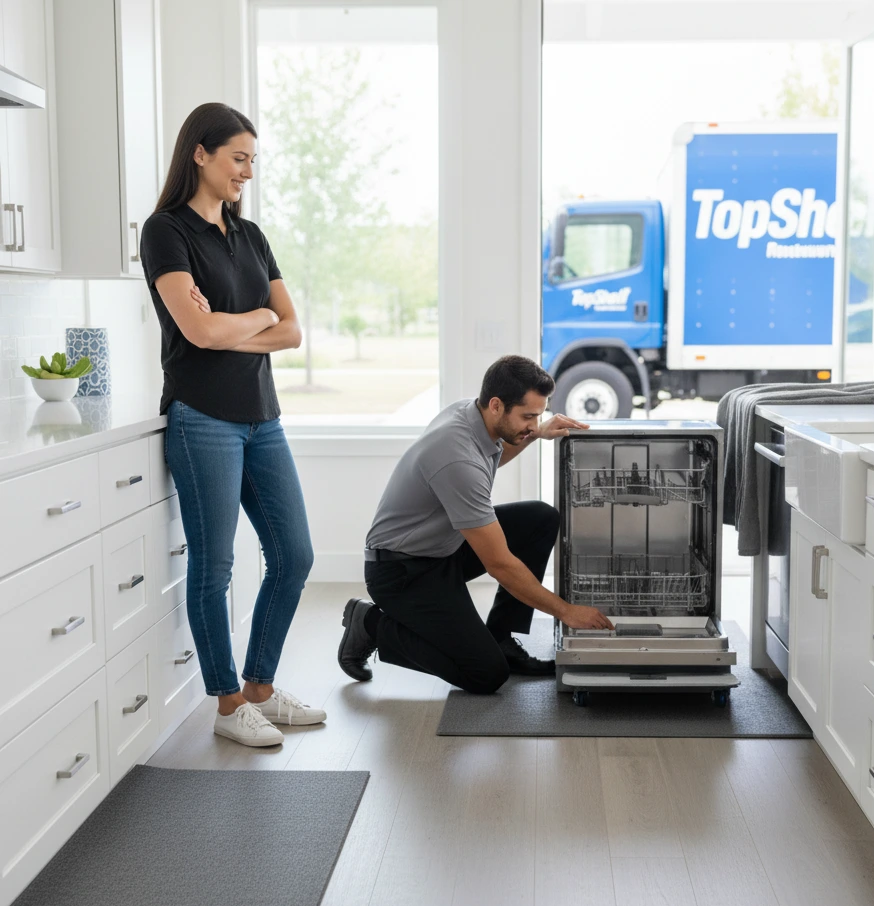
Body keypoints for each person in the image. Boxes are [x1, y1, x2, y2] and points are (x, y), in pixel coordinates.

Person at [140, 102, 323, 748]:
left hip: (261, 418)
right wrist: (245, 322)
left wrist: (227, 323)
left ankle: (261, 690)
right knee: (214, 566)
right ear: (201, 153)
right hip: (202, 420)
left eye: (251, 160)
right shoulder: (165, 233)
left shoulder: (250, 236)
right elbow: (195, 330)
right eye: (238, 157)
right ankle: (226, 704)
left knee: (294, 553)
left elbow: (292, 330)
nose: (247, 171)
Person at [337, 355, 614, 693]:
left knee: (540, 519)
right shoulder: (455, 455)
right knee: (485, 674)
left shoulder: (471, 415)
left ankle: (502, 638)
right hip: (402, 572)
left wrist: (535, 432)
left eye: (538, 415)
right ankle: (368, 623)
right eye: (528, 416)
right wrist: (566, 612)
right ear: (497, 405)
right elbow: (499, 564)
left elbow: (494, 454)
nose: (533, 423)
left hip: (444, 547)